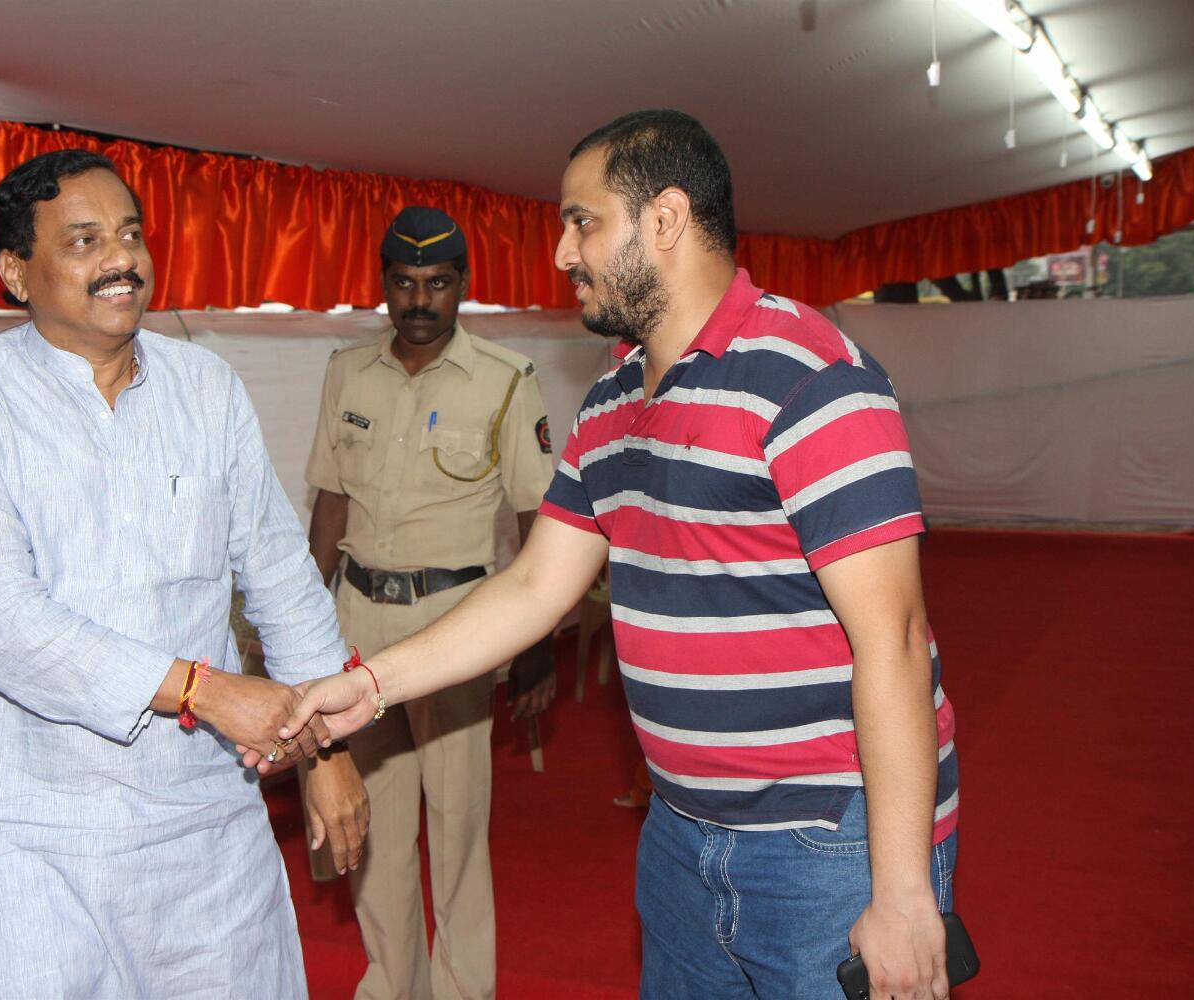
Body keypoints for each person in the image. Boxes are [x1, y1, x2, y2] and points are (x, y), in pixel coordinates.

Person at [281, 110, 961, 1000]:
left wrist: (904, 894)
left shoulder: (810, 375)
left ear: (666, 220)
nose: (563, 253)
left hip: (826, 841)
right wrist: (368, 686)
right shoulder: (608, 400)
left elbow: (897, 642)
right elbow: (533, 586)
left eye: (582, 221)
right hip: (680, 834)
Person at [0, 149, 368, 1000]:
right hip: (20, 826)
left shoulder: (205, 387)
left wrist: (329, 749)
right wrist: (203, 688)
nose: (121, 259)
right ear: (16, 272)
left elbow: (279, 571)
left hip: (197, 811)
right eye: (85, 240)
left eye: (130, 234)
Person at [304, 206, 557, 1000]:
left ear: (463, 288)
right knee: (367, 823)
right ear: (384, 286)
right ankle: (391, 983)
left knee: (455, 829)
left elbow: (538, 520)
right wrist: (306, 632)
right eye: (406, 284)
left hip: (456, 630)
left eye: (438, 284)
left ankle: (459, 991)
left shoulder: (506, 379)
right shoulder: (347, 372)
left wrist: (539, 647)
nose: (421, 301)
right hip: (358, 624)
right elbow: (330, 506)